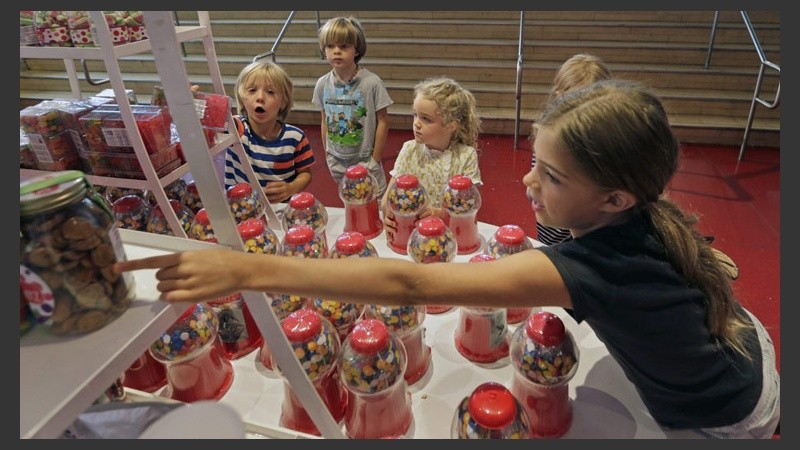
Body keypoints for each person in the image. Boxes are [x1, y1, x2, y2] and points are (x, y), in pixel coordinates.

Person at [116, 80, 779, 438]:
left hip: (731, 410)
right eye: (534, 163)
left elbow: (409, 281)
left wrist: (247, 270)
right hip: (745, 341)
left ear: (614, 197)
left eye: (550, 176)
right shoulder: (644, 215)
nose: (527, 183)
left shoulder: (591, 268)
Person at [381, 77, 482, 238]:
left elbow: (469, 206)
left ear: (451, 125)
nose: (416, 123)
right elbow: (388, 197)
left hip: (449, 237)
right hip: (411, 235)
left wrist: (441, 214)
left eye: (426, 119)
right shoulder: (409, 150)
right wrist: (388, 211)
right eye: (415, 115)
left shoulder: (466, 156)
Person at [532, 53, 612, 246]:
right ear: (558, 96)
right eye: (571, 103)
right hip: (552, 222)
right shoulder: (548, 133)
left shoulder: (603, 145)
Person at [312, 16, 392, 200]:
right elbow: (324, 120)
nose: (336, 51)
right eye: (330, 46)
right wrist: (328, 154)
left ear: (356, 49)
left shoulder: (372, 83)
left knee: (375, 201)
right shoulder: (322, 84)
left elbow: (383, 121)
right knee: (350, 201)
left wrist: (375, 159)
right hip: (337, 160)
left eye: (344, 46)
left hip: (366, 160)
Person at [224, 60, 314, 203]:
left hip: (280, 209)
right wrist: (192, 101)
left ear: (283, 101)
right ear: (242, 98)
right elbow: (208, 126)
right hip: (240, 209)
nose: (260, 97)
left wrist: (291, 188)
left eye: (270, 92)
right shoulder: (236, 128)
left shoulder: (295, 138)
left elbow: (305, 173)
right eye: (252, 90)